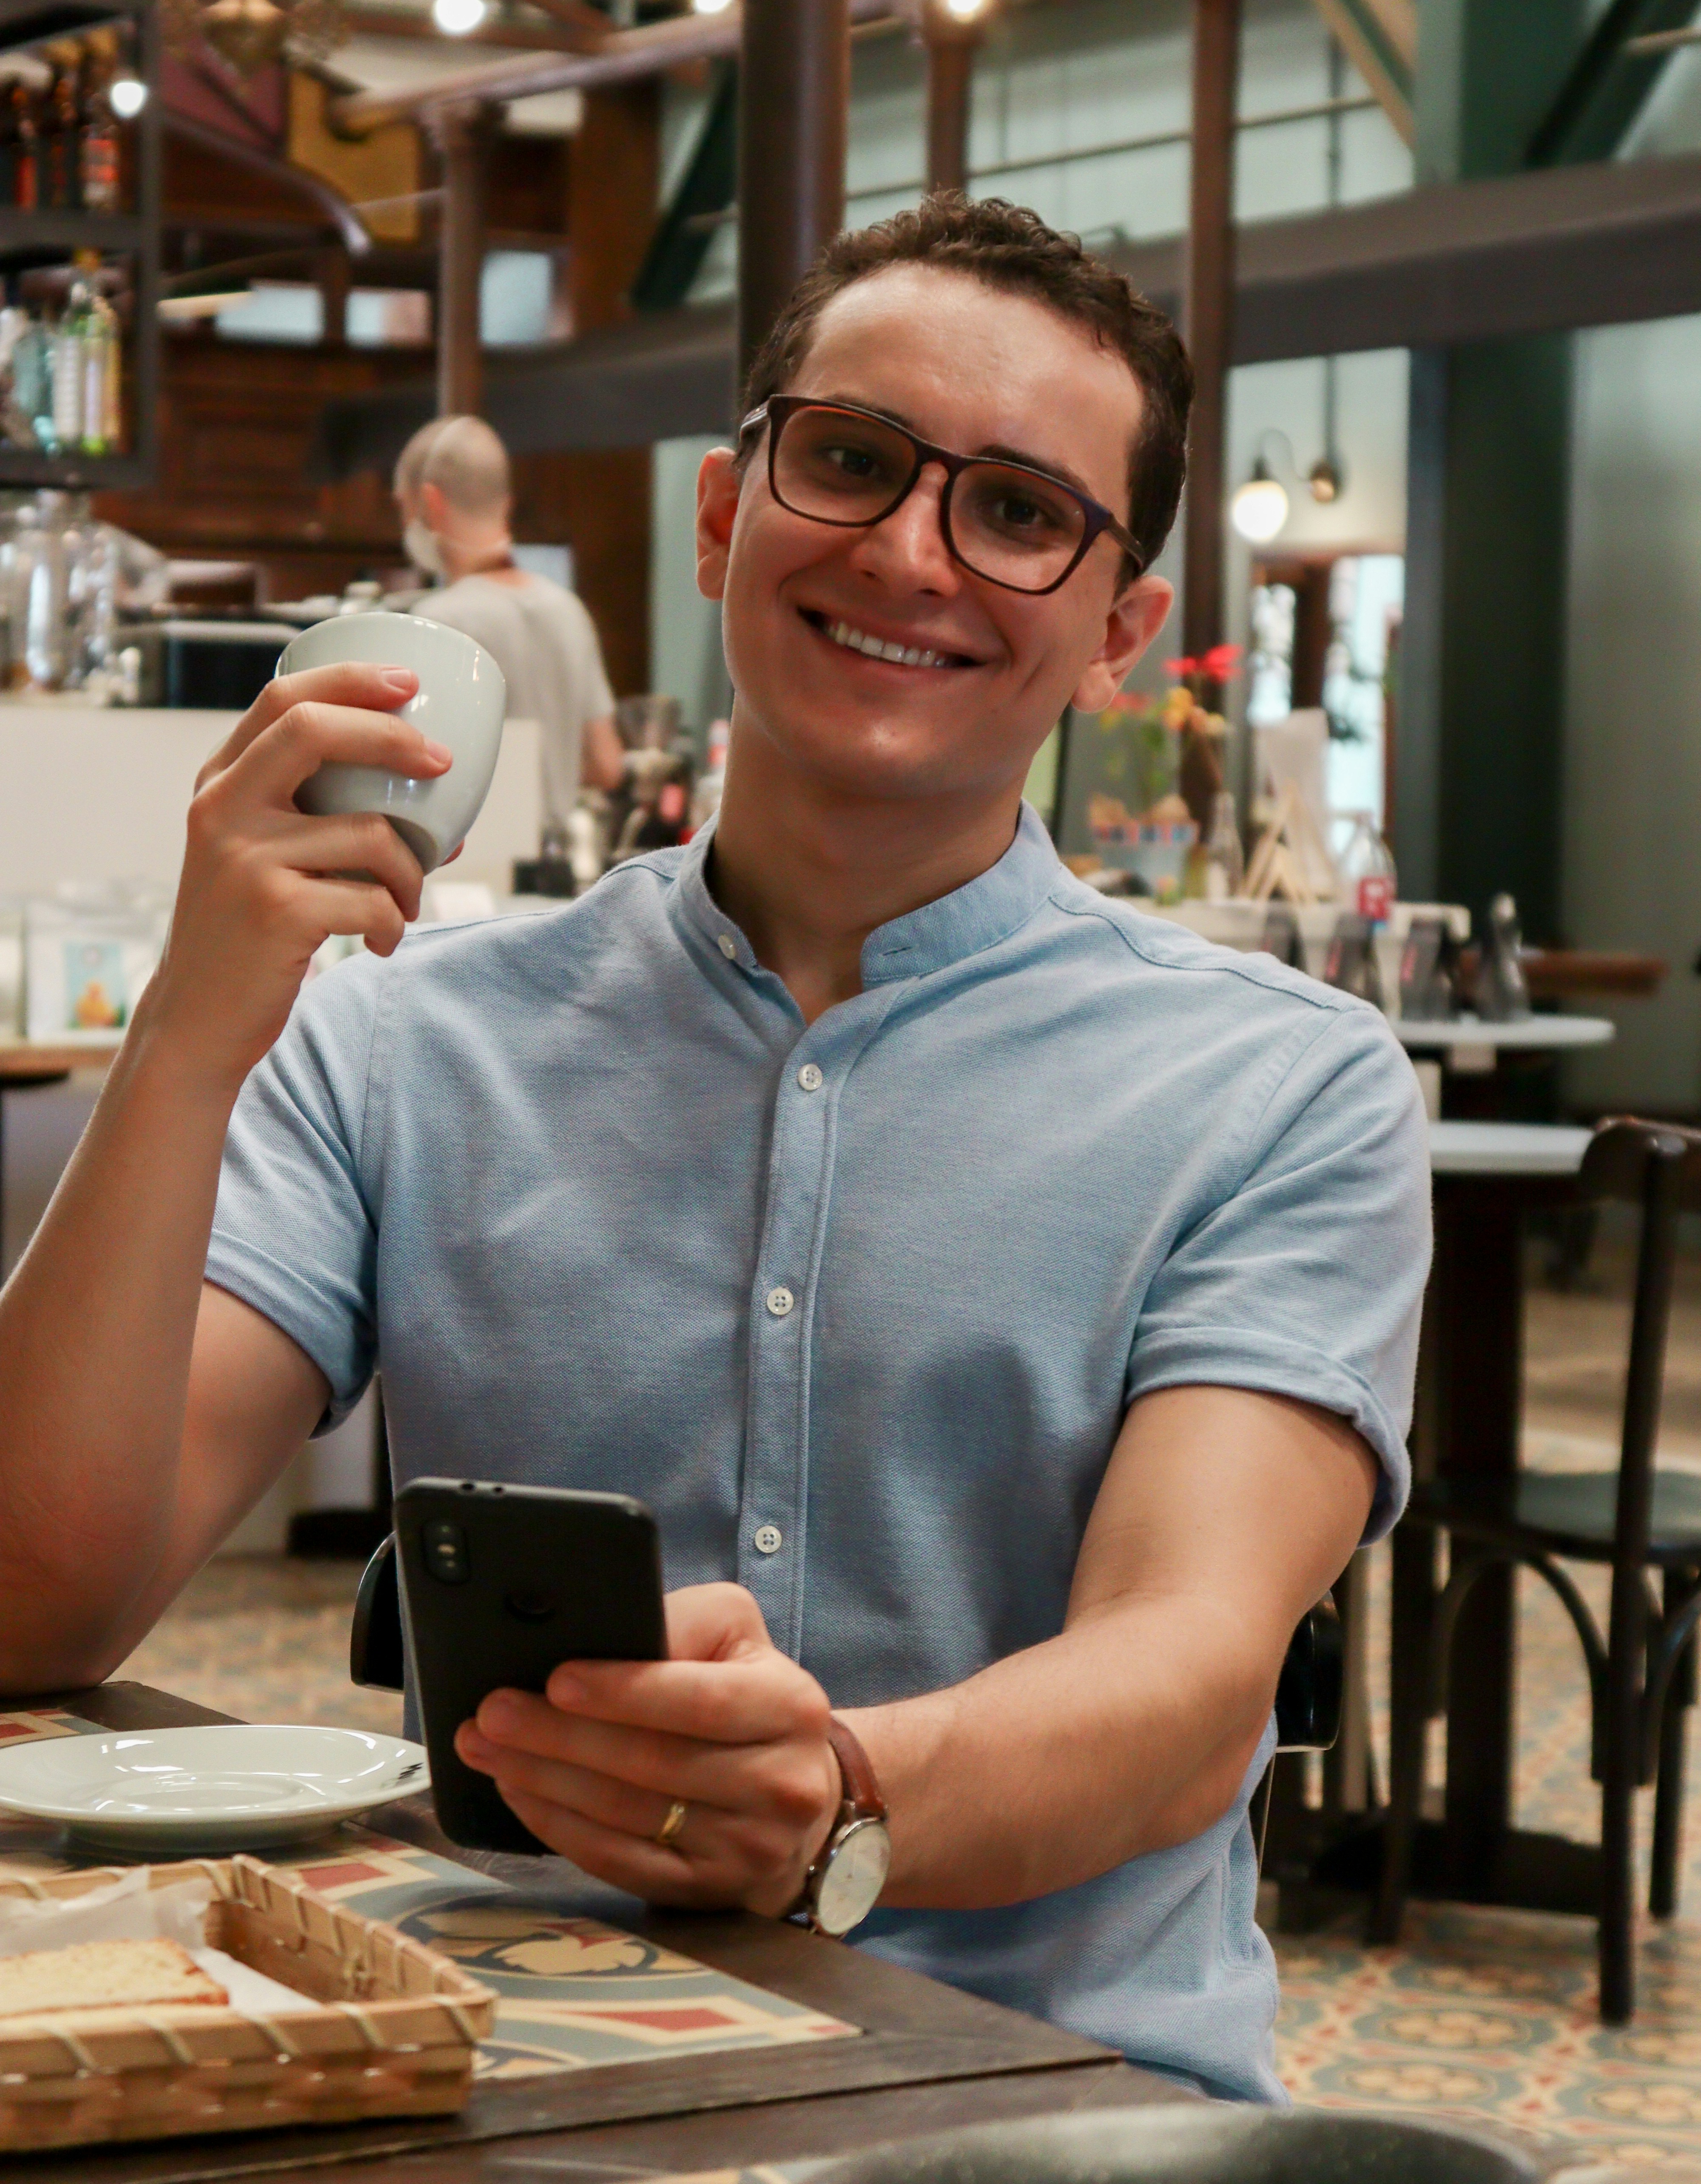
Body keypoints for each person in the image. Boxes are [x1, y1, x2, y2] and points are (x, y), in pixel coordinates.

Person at [0, 197, 1429, 2105]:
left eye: (1017, 512)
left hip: (1058, 2106)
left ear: (1116, 630)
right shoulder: (406, 1031)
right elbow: (34, 1603)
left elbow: (1184, 1675)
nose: (914, 552)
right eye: (848, 462)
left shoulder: (1281, 1086)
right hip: (516, 2076)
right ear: (717, 516)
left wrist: (840, 1791)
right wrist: (185, 1028)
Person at [393, 412, 626, 826]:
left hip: (469, 868)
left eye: (403, 508)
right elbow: (607, 765)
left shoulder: (437, 622)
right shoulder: (568, 609)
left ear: (430, 503)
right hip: (557, 866)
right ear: (506, 504)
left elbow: (414, 767)